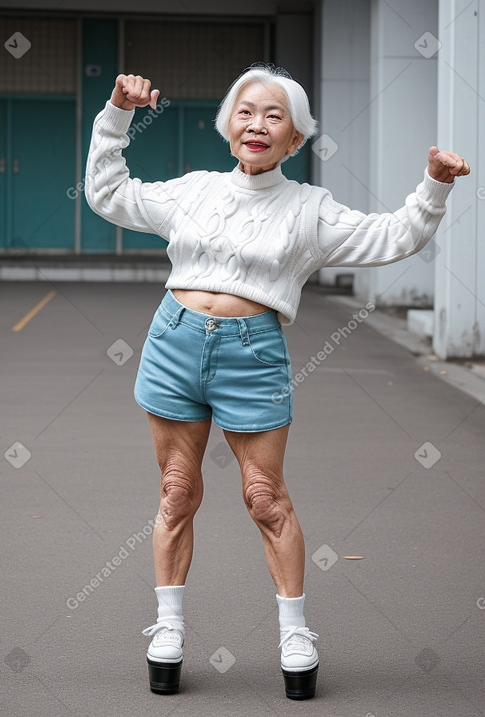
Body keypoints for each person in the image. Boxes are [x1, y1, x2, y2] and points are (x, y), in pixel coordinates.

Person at [85, 63, 470, 700]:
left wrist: (432, 185)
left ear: (295, 140)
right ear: (227, 129)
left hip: (251, 353)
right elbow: (108, 193)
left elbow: (393, 236)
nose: (256, 123)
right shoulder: (194, 190)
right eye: (245, 112)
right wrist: (117, 115)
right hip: (174, 342)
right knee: (177, 492)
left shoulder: (310, 209)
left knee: (266, 498)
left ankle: (294, 633)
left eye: (273, 116)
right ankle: (169, 628)